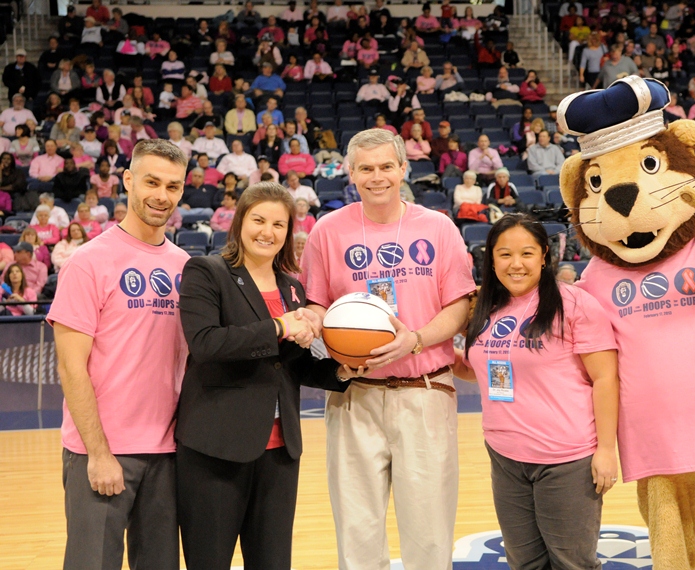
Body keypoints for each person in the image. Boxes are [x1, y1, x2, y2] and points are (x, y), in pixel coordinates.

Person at [299, 129, 475, 570]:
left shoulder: (437, 227)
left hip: (425, 390)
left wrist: (414, 339)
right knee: (357, 530)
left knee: (429, 532)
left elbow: (459, 305)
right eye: (365, 169)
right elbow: (316, 303)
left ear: (403, 168)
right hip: (354, 394)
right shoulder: (327, 231)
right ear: (351, 173)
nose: (376, 177)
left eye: (385, 167)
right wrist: (314, 324)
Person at [175, 181, 349, 569]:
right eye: (258, 220)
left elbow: (288, 363)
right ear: (239, 223)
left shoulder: (291, 287)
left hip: (279, 452)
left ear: (289, 232)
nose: (267, 232)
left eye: (279, 224)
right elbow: (205, 344)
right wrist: (278, 326)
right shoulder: (207, 271)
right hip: (216, 449)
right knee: (209, 561)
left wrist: (342, 369)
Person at [47, 115, 189, 570]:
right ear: (127, 180)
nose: (161, 196)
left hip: (166, 454)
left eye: (172, 186)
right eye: (151, 182)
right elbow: (71, 368)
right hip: (103, 451)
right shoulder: (89, 263)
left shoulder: (187, 265)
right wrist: (98, 452)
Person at [454, 214, 618, 569]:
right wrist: (444, 358)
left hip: (565, 459)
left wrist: (606, 450)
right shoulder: (486, 308)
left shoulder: (573, 303)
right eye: (505, 254)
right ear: (491, 259)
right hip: (505, 456)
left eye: (527, 253)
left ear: (544, 256)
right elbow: (484, 370)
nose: (516, 264)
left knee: (571, 563)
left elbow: (605, 378)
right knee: (524, 562)